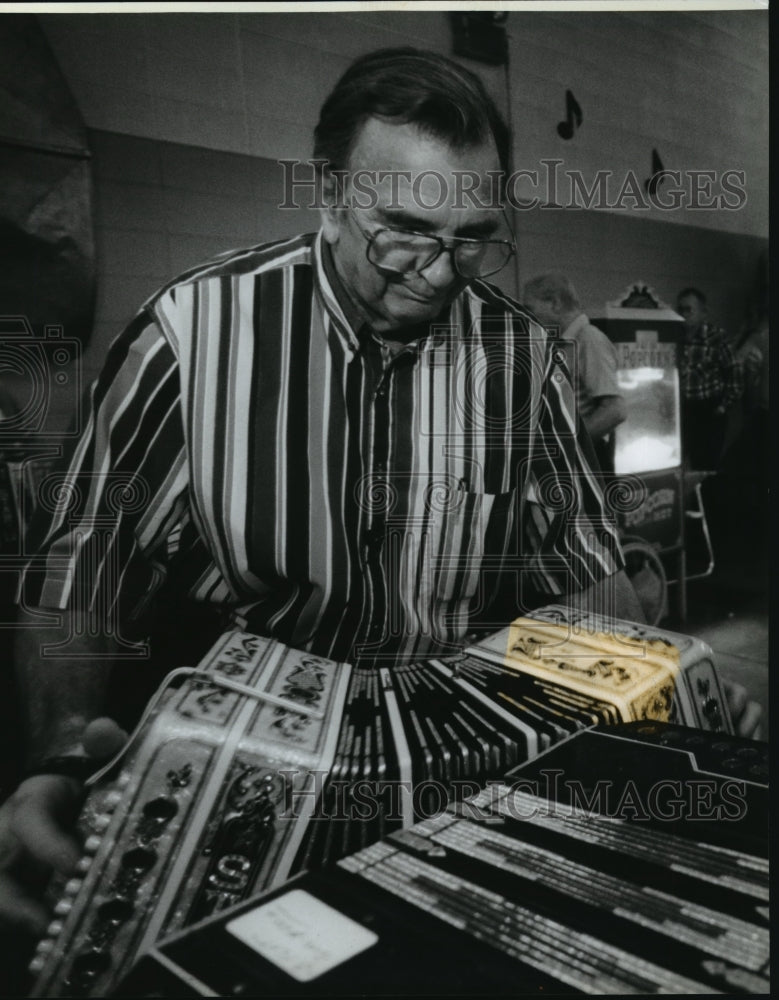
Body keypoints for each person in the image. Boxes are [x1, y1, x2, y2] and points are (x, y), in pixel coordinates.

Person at [0, 47, 736, 938]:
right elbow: (84, 571)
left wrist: (660, 698)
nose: (435, 272)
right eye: (401, 229)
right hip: (236, 783)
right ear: (327, 192)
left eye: (470, 238)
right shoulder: (192, 337)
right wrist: (62, 755)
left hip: (458, 772)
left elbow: (585, 580)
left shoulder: (522, 364)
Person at [522, 273, 626, 474]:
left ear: (555, 303)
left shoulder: (589, 339)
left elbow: (615, 411)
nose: (528, 319)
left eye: (530, 310)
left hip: (585, 461)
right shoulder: (562, 343)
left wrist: (564, 442)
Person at [676, 287, 743, 471]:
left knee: (705, 468)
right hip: (682, 411)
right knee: (675, 463)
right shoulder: (675, 337)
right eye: (680, 310)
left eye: (689, 310)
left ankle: (705, 499)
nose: (683, 315)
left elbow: (735, 374)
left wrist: (723, 407)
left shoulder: (716, 338)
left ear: (703, 313)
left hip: (708, 411)